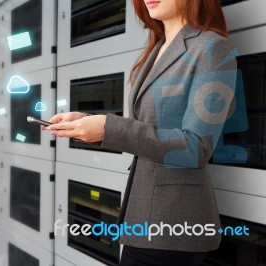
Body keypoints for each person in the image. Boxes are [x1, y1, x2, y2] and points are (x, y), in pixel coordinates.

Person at [45, 0, 238, 265]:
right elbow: (147, 125)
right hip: (143, 217)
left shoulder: (212, 47)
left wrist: (108, 127)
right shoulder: (157, 48)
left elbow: (196, 147)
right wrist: (87, 123)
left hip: (174, 224)